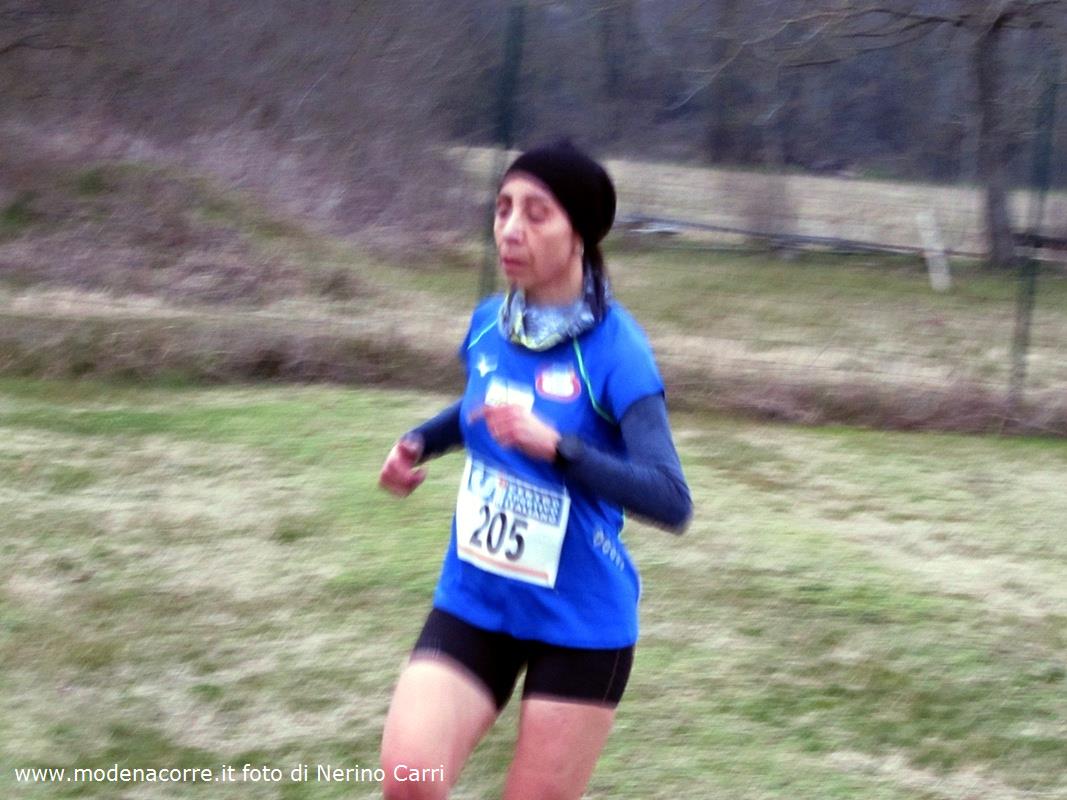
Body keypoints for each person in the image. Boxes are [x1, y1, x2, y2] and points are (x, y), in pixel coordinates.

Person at [377, 140, 691, 800]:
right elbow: (480, 406)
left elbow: (671, 499)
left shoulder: (618, 351)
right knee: (409, 778)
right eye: (502, 208)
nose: (510, 229)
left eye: (536, 213)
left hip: (580, 622)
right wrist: (419, 442)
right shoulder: (487, 324)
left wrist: (560, 449)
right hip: (476, 598)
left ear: (579, 233)